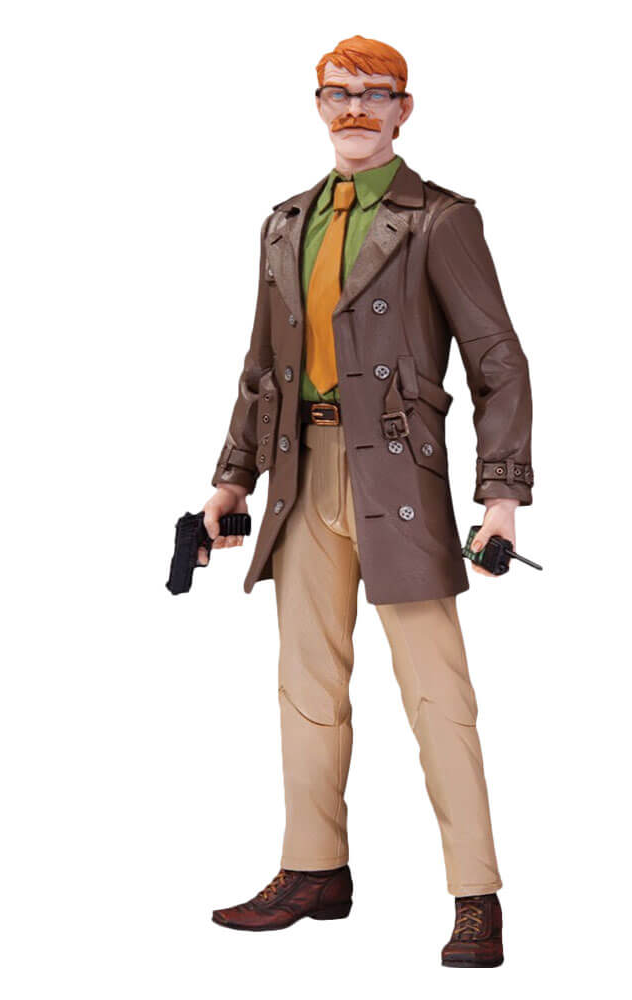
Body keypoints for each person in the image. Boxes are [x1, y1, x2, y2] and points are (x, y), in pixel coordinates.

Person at [200, 35, 533, 968]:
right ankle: (314, 869)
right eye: (338, 93)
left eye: (375, 94)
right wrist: (231, 479)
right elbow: (261, 367)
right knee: (306, 685)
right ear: (317, 104)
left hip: (398, 475)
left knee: (437, 693)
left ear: (403, 108)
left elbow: (498, 362)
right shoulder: (284, 223)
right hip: (299, 470)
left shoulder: (440, 220)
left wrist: (500, 496)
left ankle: (475, 895)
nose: (355, 108)